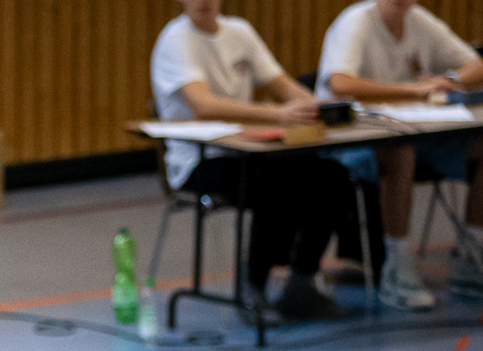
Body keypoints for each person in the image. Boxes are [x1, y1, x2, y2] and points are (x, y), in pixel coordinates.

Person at [151, 1, 353, 321]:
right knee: (275, 181)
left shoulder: (240, 32)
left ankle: (302, 280)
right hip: (201, 162)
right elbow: (203, 105)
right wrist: (277, 114)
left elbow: (286, 88)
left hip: (249, 151)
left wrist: (324, 110)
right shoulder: (176, 40)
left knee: (332, 175)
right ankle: (252, 285)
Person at [318, 0, 483, 309]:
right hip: (352, 142)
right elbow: (340, 84)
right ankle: (397, 265)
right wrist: (411, 90)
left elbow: (477, 64)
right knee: (399, 149)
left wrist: (451, 80)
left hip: (419, 135)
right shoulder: (356, 22)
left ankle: (472, 256)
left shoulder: (419, 20)